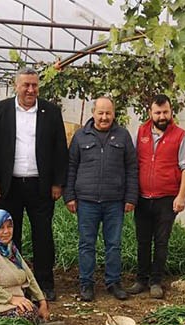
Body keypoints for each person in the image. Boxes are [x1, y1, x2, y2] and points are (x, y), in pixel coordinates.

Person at [0, 66, 68, 301]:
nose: (31, 90)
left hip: (40, 186)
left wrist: (57, 183)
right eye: (26, 85)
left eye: (34, 85)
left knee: (43, 235)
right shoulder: (0, 111)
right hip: (9, 186)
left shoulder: (51, 112)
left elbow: (60, 149)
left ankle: (44, 283)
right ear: (16, 86)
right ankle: (15, 283)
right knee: (10, 235)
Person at [64, 97, 138, 302]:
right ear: (93, 113)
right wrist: (69, 196)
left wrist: (131, 197)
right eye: (100, 113)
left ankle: (113, 282)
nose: (104, 117)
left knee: (113, 244)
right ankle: (86, 283)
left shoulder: (123, 136)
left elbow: (132, 168)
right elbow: (71, 167)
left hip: (114, 201)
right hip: (86, 201)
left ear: (114, 114)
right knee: (86, 244)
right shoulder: (80, 136)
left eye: (108, 113)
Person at [130, 94, 185, 299]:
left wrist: (181, 196)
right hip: (142, 198)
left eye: (165, 112)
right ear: (150, 113)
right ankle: (141, 279)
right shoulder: (140, 132)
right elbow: (132, 162)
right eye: (157, 112)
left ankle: (156, 281)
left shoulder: (181, 136)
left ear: (171, 112)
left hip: (167, 199)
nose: (162, 116)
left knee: (161, 241)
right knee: (142, 241)